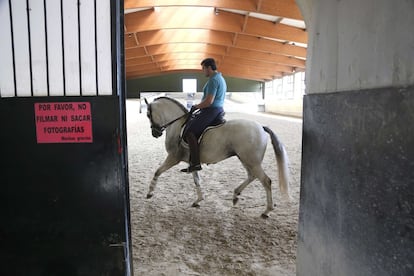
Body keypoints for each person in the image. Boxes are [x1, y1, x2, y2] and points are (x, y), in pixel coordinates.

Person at [180, 58, 227, 173]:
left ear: (209, 68)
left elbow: (209, 101)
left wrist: (196, 106)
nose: (203, 71)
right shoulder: (219, 78)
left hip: (211, 110)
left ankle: (195, 163)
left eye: (203, 69)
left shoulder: (213, 80)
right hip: (216, 109)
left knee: (189, 132)